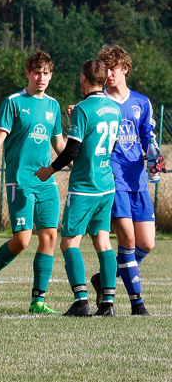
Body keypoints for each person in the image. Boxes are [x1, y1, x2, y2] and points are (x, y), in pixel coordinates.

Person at [0, 50, 66, 314]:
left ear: (51, 75)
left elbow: (59, 144)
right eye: (36, 72)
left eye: (46, 73)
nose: (41, 77)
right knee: (23, 241)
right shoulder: (14, 102)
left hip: (45, 180)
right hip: (19, 180)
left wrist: (80, 161)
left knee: (49, 236)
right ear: (27, 73)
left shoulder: (53, 106)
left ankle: (38, 301)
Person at [35, 59, 122, 316]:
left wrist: (49, 170)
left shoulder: (83, 109)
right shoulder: (114, 108)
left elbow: (72, 149)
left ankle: (81, 300)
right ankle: (107, 303)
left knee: (69, 243)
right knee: (103, 242)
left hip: (85, 186)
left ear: (83, 78)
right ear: (105, 80)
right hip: (107, 186)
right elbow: (110, 144)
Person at [97, 44, 157, 316]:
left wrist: (154, 153)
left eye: (113, 67)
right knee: (128, 240)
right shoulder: (101, 101)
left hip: (138, 180)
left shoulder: (141, 102)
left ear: (125, 69)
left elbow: (148, 136)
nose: (108, 73)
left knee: (146, 244)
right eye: (105, 68)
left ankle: (105, 278)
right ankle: (137, 304)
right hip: (113, 177)